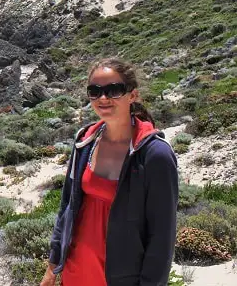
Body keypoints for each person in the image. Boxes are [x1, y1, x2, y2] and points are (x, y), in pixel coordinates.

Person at [40, 58, 178, 286]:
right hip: (76, 271)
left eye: (113, 90)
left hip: (121, 278)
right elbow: (67, 206)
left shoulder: (155, 155)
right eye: (95, 91)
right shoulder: (85, 141)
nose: (103, 98)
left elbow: (162, 237)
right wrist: (53, 266)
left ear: (132, 95)